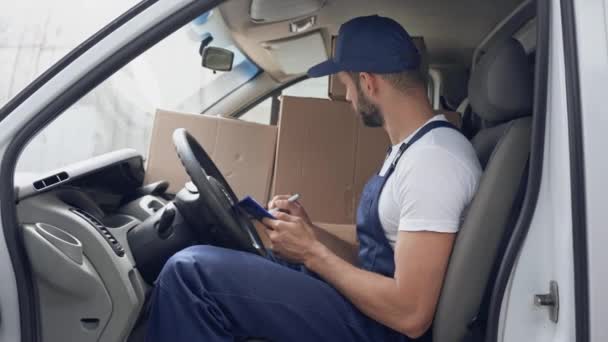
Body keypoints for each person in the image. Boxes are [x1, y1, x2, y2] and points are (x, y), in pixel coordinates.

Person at [145, 15, 481, 342]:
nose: (348, 97)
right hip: (372, 313)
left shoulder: (434, 161)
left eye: (347, 85)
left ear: (368, 82)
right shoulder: (412, 150)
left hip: (383, 329)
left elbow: (410, 315)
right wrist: (310, 234)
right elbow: (374, 256)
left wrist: (311, 254)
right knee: (256, 260)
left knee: (191, 275)